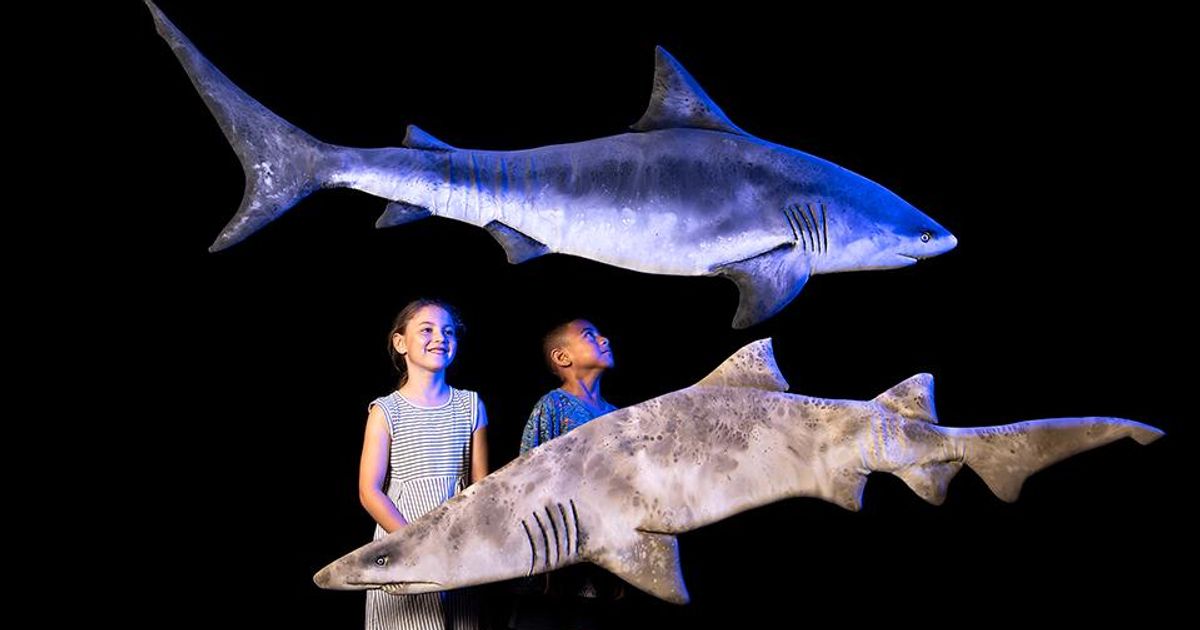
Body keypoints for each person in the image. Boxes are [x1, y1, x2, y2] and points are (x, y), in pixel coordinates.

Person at [360, 299, 489, 630]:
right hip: (402, 538)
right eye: (427, 330)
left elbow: (482, 487)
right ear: (400, 342)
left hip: (456, 542)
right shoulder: (386, 411)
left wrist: (465, 540)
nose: (440, 337)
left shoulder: (471, 404)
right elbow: (369, 490)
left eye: (448, 331)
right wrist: (414, 542)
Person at [511, 319, 624, 630]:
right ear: (562, 357)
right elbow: (526, 479)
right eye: (589, 335)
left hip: (602, 558)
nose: (604, 338)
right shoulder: (552, 406)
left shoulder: (619, 416)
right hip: (555, 563)